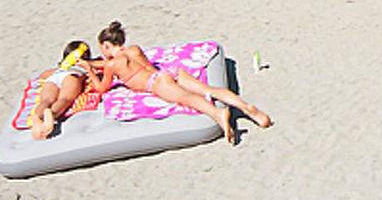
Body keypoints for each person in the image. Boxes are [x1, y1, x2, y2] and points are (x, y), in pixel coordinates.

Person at [92, 21, 270, 146]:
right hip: (167, 71)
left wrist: (90, 71)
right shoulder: (134, 49)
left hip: (156, 83)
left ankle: (218, 114)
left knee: (188, 98)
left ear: (107, 45)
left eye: (103, 50)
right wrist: (94, 63)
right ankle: (247, 108)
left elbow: (102, 88)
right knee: (209, 89)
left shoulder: (111, 65)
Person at [28, 41, 96, 139]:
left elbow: (43, 75)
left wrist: (58, 69)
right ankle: (52, 113)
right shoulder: (83, 64)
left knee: (46, 100)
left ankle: (37, 117)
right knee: (64, 99)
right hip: (72, 76)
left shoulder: (60, 68)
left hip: (54, 77)